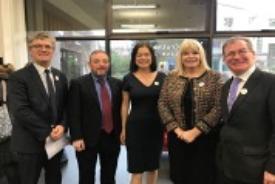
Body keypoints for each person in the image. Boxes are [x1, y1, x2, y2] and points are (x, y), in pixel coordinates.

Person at [158, 39, 222, 184]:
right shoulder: (171, 77)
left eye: (195, 52)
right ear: (180, 57)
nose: (190, 56)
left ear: (201, 55)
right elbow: (162, 104)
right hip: (178, 138)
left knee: (203, 177)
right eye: (185, 53)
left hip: (206, 138)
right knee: (180, 176)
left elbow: (218, 107)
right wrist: (177, 130)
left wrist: (195, 131)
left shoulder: (214, 77)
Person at [7, 32, 68, 184]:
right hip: (29, 143)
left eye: (48, 46)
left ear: (53, 51)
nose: (43, 49)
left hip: (55, 142)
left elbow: (65, 106)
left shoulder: (60, 76)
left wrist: (62, 125)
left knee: (55, 179)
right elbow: (20, 110)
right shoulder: (18, 77)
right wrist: (48, 132)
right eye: (38, 46)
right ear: (30, 49)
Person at [217, 36, 275, 184]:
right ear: (224, 59)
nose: (236, 57)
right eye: (230, 54)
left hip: (257, 168)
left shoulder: (270, 83)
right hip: (227, 165)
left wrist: (272, 169)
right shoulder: (226, 86)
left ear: (253, 55)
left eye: (242, 51)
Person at [67, 50, 122, 184]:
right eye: (96, 61)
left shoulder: (117, 84)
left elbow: (120, 110)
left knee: (109, 175)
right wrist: (76, 137)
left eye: (104, 61)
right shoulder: (78, 83)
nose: (101, 64)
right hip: (86, 139)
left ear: (108, 64)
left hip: (111, 137)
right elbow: (73, 112)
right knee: (86, 176)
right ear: (90, 64)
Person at [120, 43, 166, 184]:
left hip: (156, 127)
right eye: (139, 55)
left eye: (147, 54)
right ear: (134, 58)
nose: (143, 58)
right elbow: (124, 104)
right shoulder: (128, 78)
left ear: (152, 57)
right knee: (136, 169)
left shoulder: (162, 77)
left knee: (153, 167)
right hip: (134, 128)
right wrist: (123, 129)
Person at [0, 63, 19, 184]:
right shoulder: (13, 83)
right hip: (13, 127)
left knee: (7, 161)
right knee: (12, 162)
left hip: (4, 129)